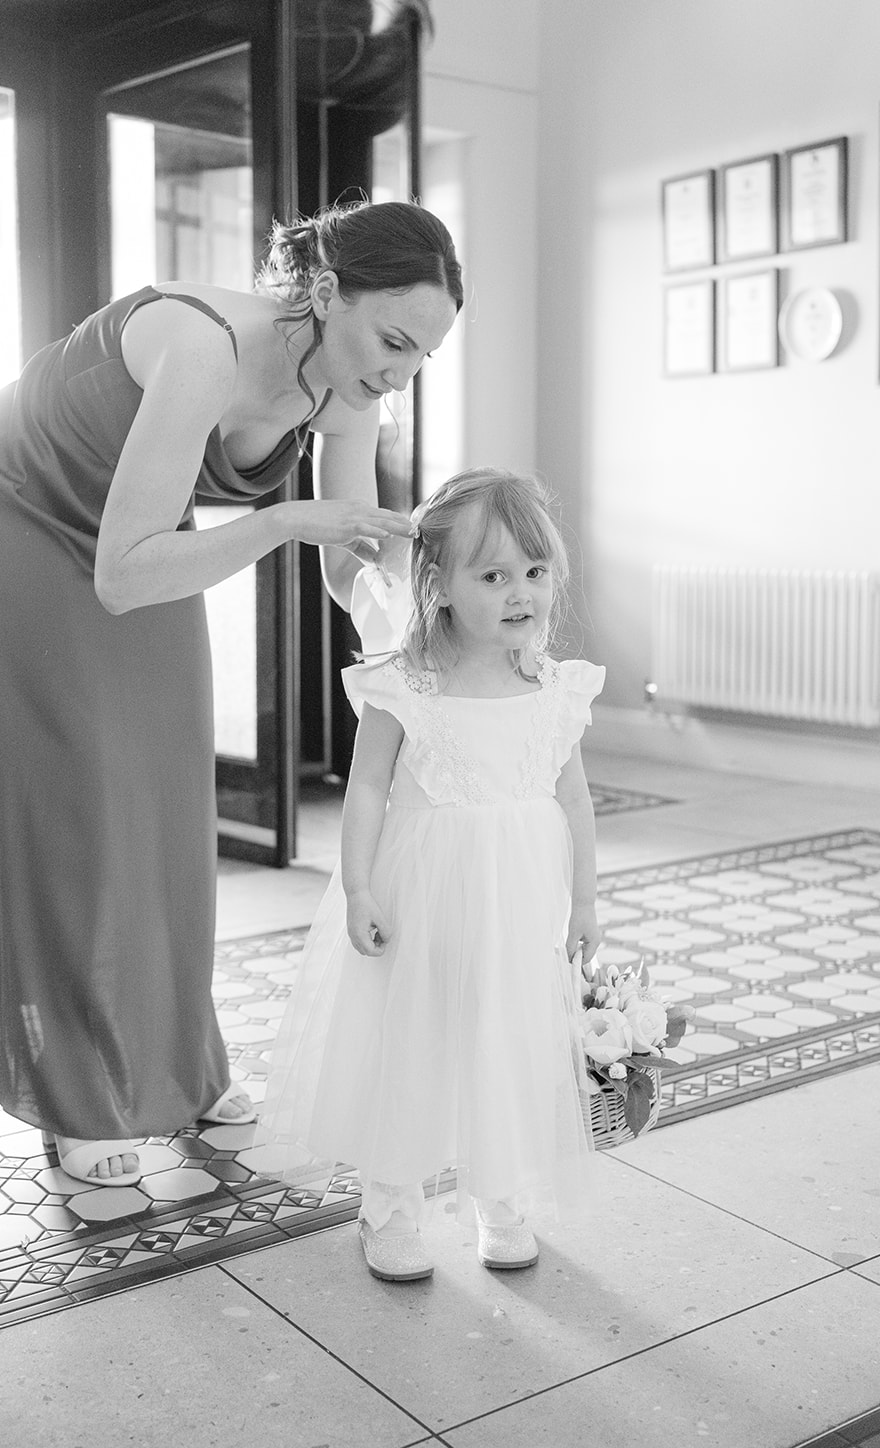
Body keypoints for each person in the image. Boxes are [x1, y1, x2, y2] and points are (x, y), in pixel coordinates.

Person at [0, 199, 463, 1189]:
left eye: (420, 358)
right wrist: (283, 520)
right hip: (23, 507)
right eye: (393, 342)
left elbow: (346, 558)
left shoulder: (350, 388)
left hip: (137, 529)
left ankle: (182, 1060)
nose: (399, 376)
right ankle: (76, 1093)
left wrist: (410, 627)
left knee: (172, 784)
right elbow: (124, 576)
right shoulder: (203, 347)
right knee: (76, 796)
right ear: (327, 292)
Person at [253, 467, 605, 1281]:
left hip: (516, 906)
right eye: (493, 576)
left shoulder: (554, 690)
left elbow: (574, 799)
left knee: (502, 1041)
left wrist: (584, 902)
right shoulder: (404, 686)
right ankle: (389, 1206)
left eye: (534, 571)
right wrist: (359, 887)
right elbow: (366, 788)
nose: (520, 593)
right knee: (409, 1044)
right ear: (439, 585)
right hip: (420, 896)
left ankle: (500, 1195)